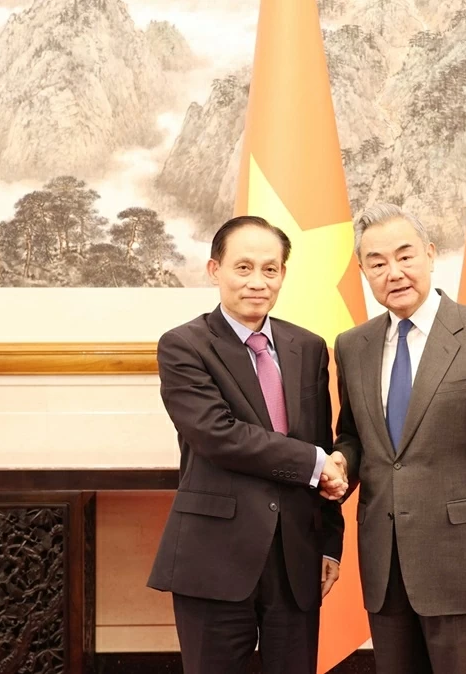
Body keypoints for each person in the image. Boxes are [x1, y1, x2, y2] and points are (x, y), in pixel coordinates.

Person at [328, 203, 466, 673]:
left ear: (431, 254)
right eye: (377, 263)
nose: (393, 272)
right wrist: (341, 462)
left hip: (461, 563)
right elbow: (356, 437)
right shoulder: (352, 346)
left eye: (405, 256)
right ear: (364, 272)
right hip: (384, 559)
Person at [147, 215, 349, 674]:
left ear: (282, 275)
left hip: (297, 557)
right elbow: (218, 435)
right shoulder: (184, 346)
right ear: (214, 270)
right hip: (214, 555)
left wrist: (330, 544)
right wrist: (315, 462)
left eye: (270, 269)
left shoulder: (310, 347)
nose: (258, 282)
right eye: (243, 268)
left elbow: (322, 444)